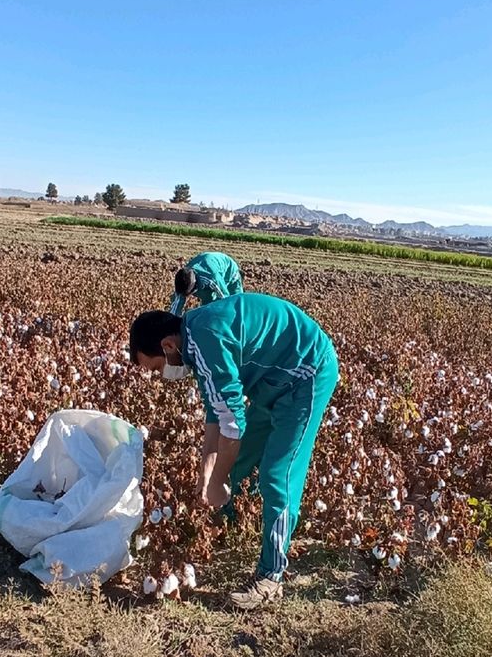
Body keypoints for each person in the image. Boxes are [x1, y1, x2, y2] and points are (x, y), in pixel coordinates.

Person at [129, 293, 339, 610]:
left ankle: (271, 577)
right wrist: (207, 475)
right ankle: (223, 525)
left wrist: (218, 480)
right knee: (239, 460)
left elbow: (233, 426)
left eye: (158, 367)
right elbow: (217, 415)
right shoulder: (194, 338)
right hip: (273, 380)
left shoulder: (204, 340)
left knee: (277, 476)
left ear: (168, 346)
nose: (163, 374)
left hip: (305, 376)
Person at [169, 251, 243, 316]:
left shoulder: (213, 278)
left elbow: (225, 299)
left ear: (194, 287)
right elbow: (175, 308)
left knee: (237, 303)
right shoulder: (183, 280)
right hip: (204, 275)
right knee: (207, 308)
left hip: (229, 272)